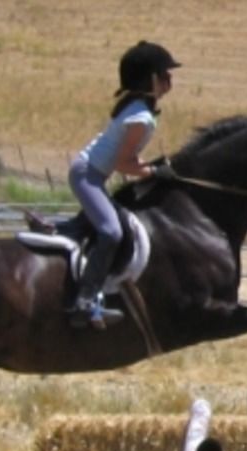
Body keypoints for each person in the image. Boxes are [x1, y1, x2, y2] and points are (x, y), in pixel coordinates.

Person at [64, 40, 181, 329]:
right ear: (152, 79)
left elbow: (128, 159)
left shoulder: (140, 109)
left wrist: (152, 167)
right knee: (112, 232)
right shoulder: (141, 117)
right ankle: (85, 300)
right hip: (87, 175)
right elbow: (123, 165)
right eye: (166, 73)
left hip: (93, 174)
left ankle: (60, 231)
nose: (171, 79)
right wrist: (154, 171)